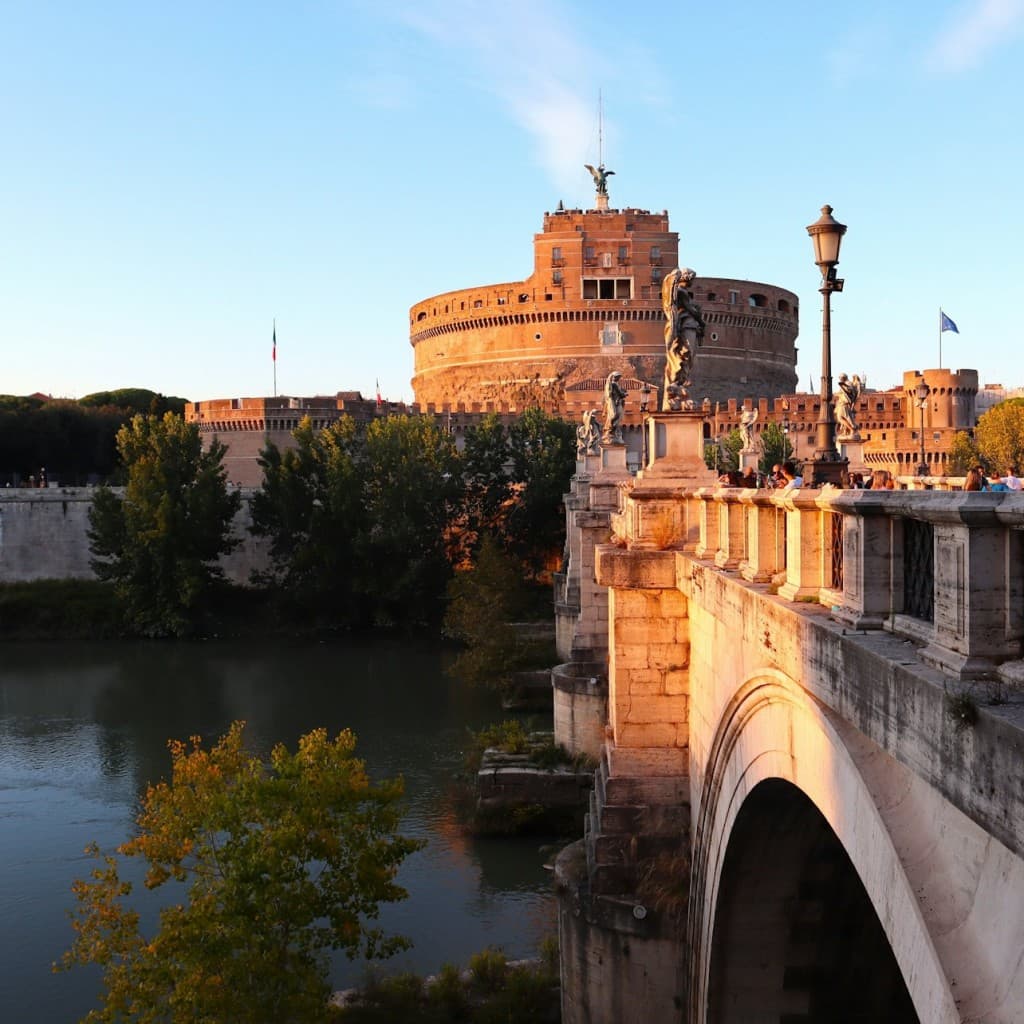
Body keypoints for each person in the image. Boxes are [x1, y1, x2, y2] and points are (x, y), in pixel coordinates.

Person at [661, 268, 706, 408]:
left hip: (689, 325)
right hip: (685, 326)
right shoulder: (680, 292)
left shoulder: (682, 292)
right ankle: (676, 384)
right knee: (685, 352)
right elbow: (690, 309)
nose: (693, 281)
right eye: (692, 278)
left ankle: (679, 382)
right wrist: (701, 320)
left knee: (688, 356)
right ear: (687, 278)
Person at [601, 372, 627, 446]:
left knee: (618, 416)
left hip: (617, 403)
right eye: (617, 377)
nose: (618, 378)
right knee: (614, 415)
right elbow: (620, 393)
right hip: (613, 402)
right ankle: (609, 427)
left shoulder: (615, 384)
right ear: (613, 377)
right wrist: (624, 394)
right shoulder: (613, 384)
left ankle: (612, 429)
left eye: (618, 377)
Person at [833, 373, 862, 437]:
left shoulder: (848, 383)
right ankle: (849, 430)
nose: (840, 379)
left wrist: (843, 386)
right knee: (843, 418)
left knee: (842, 417)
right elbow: (841, 393)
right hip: (842, 403)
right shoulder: (845, 383)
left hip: (844, 404)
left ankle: (852, 429)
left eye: (841, 378)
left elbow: (849, 391)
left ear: (844, 377)